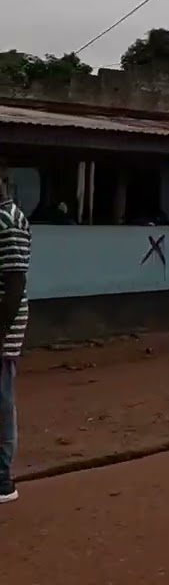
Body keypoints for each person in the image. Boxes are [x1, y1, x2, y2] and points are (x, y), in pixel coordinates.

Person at [0, 163, 31, 504]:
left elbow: (15, 281)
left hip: (3, 327)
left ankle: (2, 479)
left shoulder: (9, 222)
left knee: (1, 402)